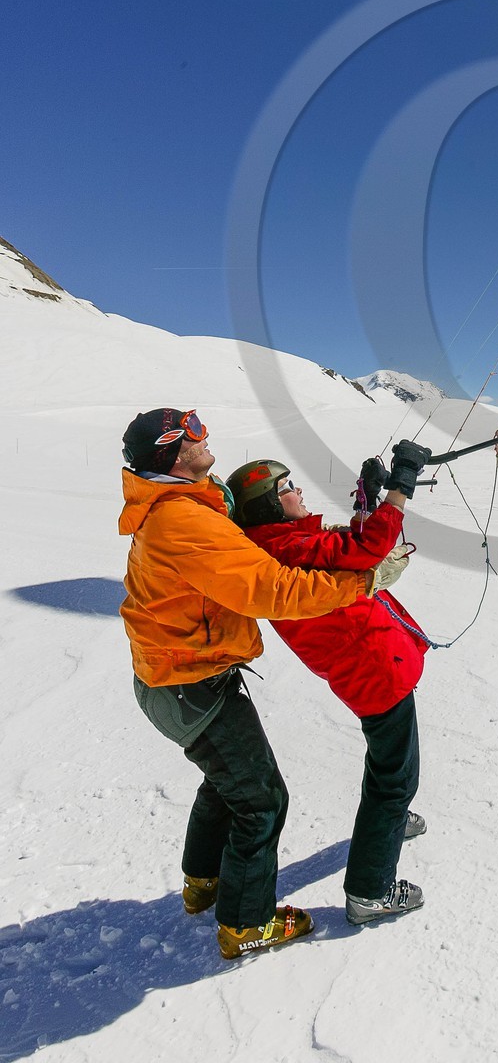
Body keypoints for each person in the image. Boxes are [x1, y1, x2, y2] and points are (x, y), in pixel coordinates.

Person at [119, 406, 374, 961]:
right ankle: (246, 924)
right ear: (171, 452)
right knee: (261, 801)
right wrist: (360, 583)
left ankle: (202, 885)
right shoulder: (183, 520)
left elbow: (246, 546)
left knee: (225, 784)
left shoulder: (182, 504)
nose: (203, 434)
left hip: (171, 678)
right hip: (192, 685)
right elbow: (271, 589)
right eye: (190, 431)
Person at [227, 440, 433, 927]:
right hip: (374, 671)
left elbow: (344, 547)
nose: (298, 492)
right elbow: (366, 547)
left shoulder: (279, 545)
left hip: (369, 666)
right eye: (288, 488)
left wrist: (368, 497)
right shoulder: (292, 549)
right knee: (395, 779)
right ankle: (370, 891)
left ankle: (393, 824)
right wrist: (401, 487)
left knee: (388, 764)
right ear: (271, 505)